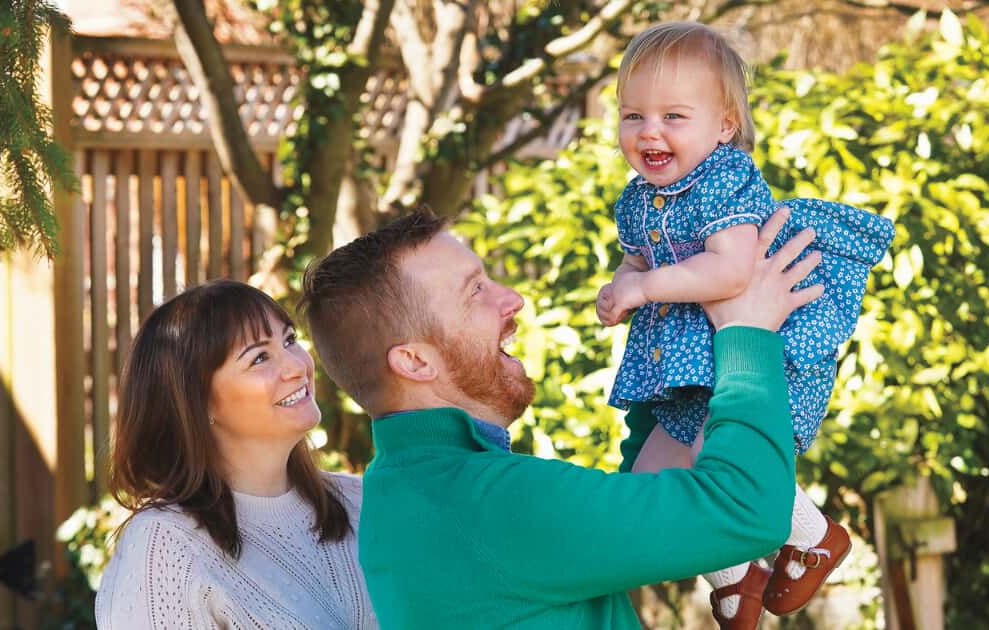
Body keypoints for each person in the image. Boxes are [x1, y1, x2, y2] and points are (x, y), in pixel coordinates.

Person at [298, 208, 821, 629]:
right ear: (414, 361)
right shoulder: (488, 502)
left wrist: (670, 337)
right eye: (474, 292)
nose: (513, 299)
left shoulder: (415, 490)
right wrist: (749, 332)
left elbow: (643, 495)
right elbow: (747, 508)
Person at [595, 22, 895, 627]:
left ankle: (814, 535)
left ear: (725, 126)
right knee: (651, 479)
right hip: (689, 366)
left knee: (724, 464)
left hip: (753, 354)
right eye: (633, 116)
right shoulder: (637, 198)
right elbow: (637, 258)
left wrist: (647, 286)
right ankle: (739, 574)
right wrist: (620, 287)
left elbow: (732, 270)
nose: (649, 131)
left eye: (674, 116)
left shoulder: (724, 179)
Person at [94, 280, 377, 630]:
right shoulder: (164, 546)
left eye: (289, 340)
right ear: (198, 403)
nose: (297, 366)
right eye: (260, 357)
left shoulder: (364, 502)